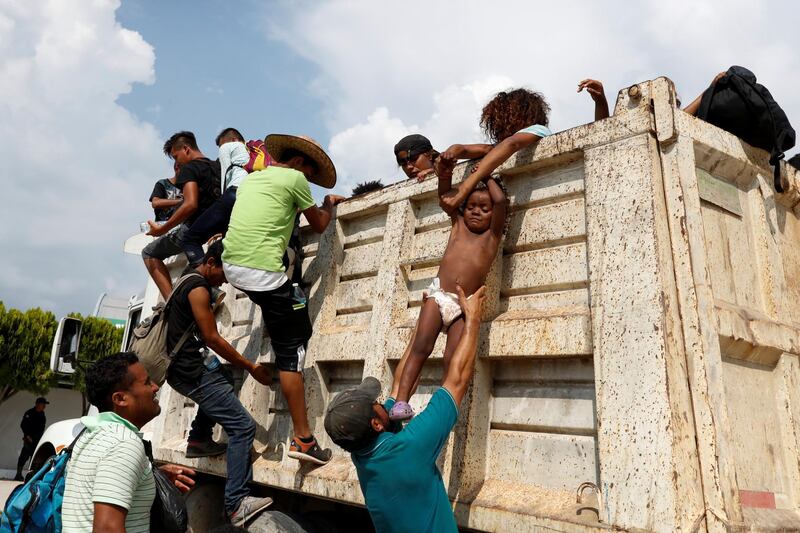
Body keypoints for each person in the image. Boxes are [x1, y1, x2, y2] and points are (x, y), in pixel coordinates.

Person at [222, 134, 345, 465]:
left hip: (233, 267)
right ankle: (304, 440)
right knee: (293, 351)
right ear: (301, 163)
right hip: (263, 274)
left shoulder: (252, 179)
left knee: (286, 305)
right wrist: (328, 204)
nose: (309, 181)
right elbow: (319, 225)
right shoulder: (294, 179)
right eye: (309, 174)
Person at [324, 284, 486, 533]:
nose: (381, 402)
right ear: (376, 424)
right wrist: (473, 319)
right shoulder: (408, 449)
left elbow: (401, 386)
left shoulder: (362, 453)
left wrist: (424, 322)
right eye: (376, 404)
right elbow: (457, 380)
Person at [165, 239, 274, 525]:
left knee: (223, 376)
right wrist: (250, 366)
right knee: (242, 427)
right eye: (223, 273)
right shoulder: (198, 287)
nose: (225, 280)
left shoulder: (187, 276)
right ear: (211, 263)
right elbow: (212, 337)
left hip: (184, 368)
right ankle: (237, 502)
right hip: (190, 371)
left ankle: (199, 438)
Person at [388, 172, 507, 420]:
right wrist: (448, 171)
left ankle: (439, 410)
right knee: (420, 348)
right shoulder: (458, 226)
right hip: (438, 296)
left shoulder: (492, 237)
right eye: (471, 206)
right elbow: (445, 195)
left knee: (452, 358)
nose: (476, 211)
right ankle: (400, 402)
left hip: (464, 306)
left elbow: (500, 202)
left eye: (484, 209)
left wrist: (485, 173)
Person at [61, 352, 196, 533]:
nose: (155, 387)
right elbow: (107, 529)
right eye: (147, 382)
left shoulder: (92, 433)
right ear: (120, 399)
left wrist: (148, 476)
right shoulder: (123, 443)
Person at [144, 131, 221, 298]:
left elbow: (190, 204)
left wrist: (162, 229)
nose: (176, 162)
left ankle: (170, 301)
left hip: (193, 229)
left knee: (149, 253)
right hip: (216, 227)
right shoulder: (217, 167)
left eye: (176, 156)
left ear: (186, 149)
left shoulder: (189, 168)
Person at [177, 128, 252, 269]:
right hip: (253, 198)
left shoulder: (229, 146)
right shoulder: (256, 150)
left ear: (234, 140)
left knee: (190, 239)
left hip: (235, 193)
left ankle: (205, 281)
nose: (220, 149)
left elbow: (224, 180)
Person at [393, 134, 491, 182]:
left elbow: (488, 149)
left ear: (429, 155)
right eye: (403, 163)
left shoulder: (446, 165)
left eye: (414, 159)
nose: (409, 167)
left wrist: (440, 163)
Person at [14, 396, 48, 481]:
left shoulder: (42, 415)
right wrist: (27, 435)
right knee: (23, 456)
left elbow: (41, 429)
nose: (44, 406)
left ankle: (31, 477)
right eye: (43, 404)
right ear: (38, 404)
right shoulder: (29, 413)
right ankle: (18, 474)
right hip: (28, 440)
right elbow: (23, 425)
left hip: (37, 441)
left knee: (34, 458)